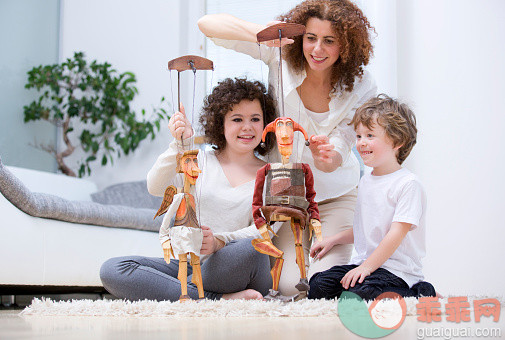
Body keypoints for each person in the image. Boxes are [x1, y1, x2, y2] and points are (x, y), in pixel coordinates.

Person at [198, 0, 377, 295]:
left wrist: (329, 156)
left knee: (322, 283)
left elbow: (342, 147)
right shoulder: (279, 54)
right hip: (284, 197)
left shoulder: (362, 84)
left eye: (329, 41)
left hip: (334, 197)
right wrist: (273, 34)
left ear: (345, 45)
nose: (317, 49)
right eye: (310, 38)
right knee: (289, 287)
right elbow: (208, 25)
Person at [100, 77, 277, 301]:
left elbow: (266, 231)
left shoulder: (273, 174)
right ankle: (218, 299)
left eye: (255, 119)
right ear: (220, 123)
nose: (247, 127)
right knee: (115, 269)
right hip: (194, 266)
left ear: (265, 124)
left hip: (237, 266)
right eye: (237, 119)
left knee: (252, 249)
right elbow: (155, 186)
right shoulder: (198, 160)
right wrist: (179, 144)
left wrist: (218, 242)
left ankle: (193, 294)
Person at [308, 94, 436, 301]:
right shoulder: (367, 180)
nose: (361, 143)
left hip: (398, 272)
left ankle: (420, 291)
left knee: (360, 294)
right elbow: (366, 228)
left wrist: (367, 268)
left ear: (398, 141)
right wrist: (333, 240)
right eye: (358, 137)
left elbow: (395, 234)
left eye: (369, 136)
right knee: (318, 286)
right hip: (367, 265)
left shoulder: (408, 184)